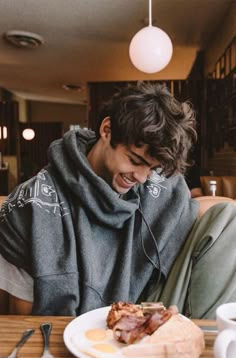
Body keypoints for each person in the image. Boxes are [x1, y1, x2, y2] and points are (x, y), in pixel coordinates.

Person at [0, 82, 236, 318]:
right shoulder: (33, 204)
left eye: (152, 168)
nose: (142, 178)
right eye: (135, 160)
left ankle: (200, 341)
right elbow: (24, 320)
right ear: (107, 129)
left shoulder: (156, 182)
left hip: (151, 303)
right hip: (74, 326)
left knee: (230, 216)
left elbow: (192, 212)